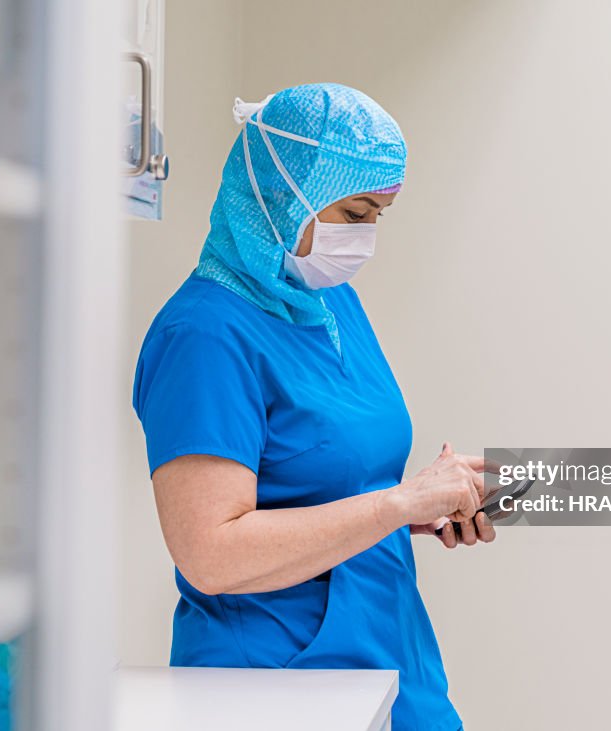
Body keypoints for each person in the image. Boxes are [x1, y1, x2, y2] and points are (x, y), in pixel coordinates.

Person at [132, 82, 494, 731]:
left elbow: (337, 477)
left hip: (389, 658)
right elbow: (210, 553)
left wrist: (426, 505)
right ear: (284, 193)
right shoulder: (205, 336)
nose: (365, 238)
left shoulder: (327, 301)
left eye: (379, 216)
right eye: (354, 213)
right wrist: (397, 504)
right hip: (275, 683)